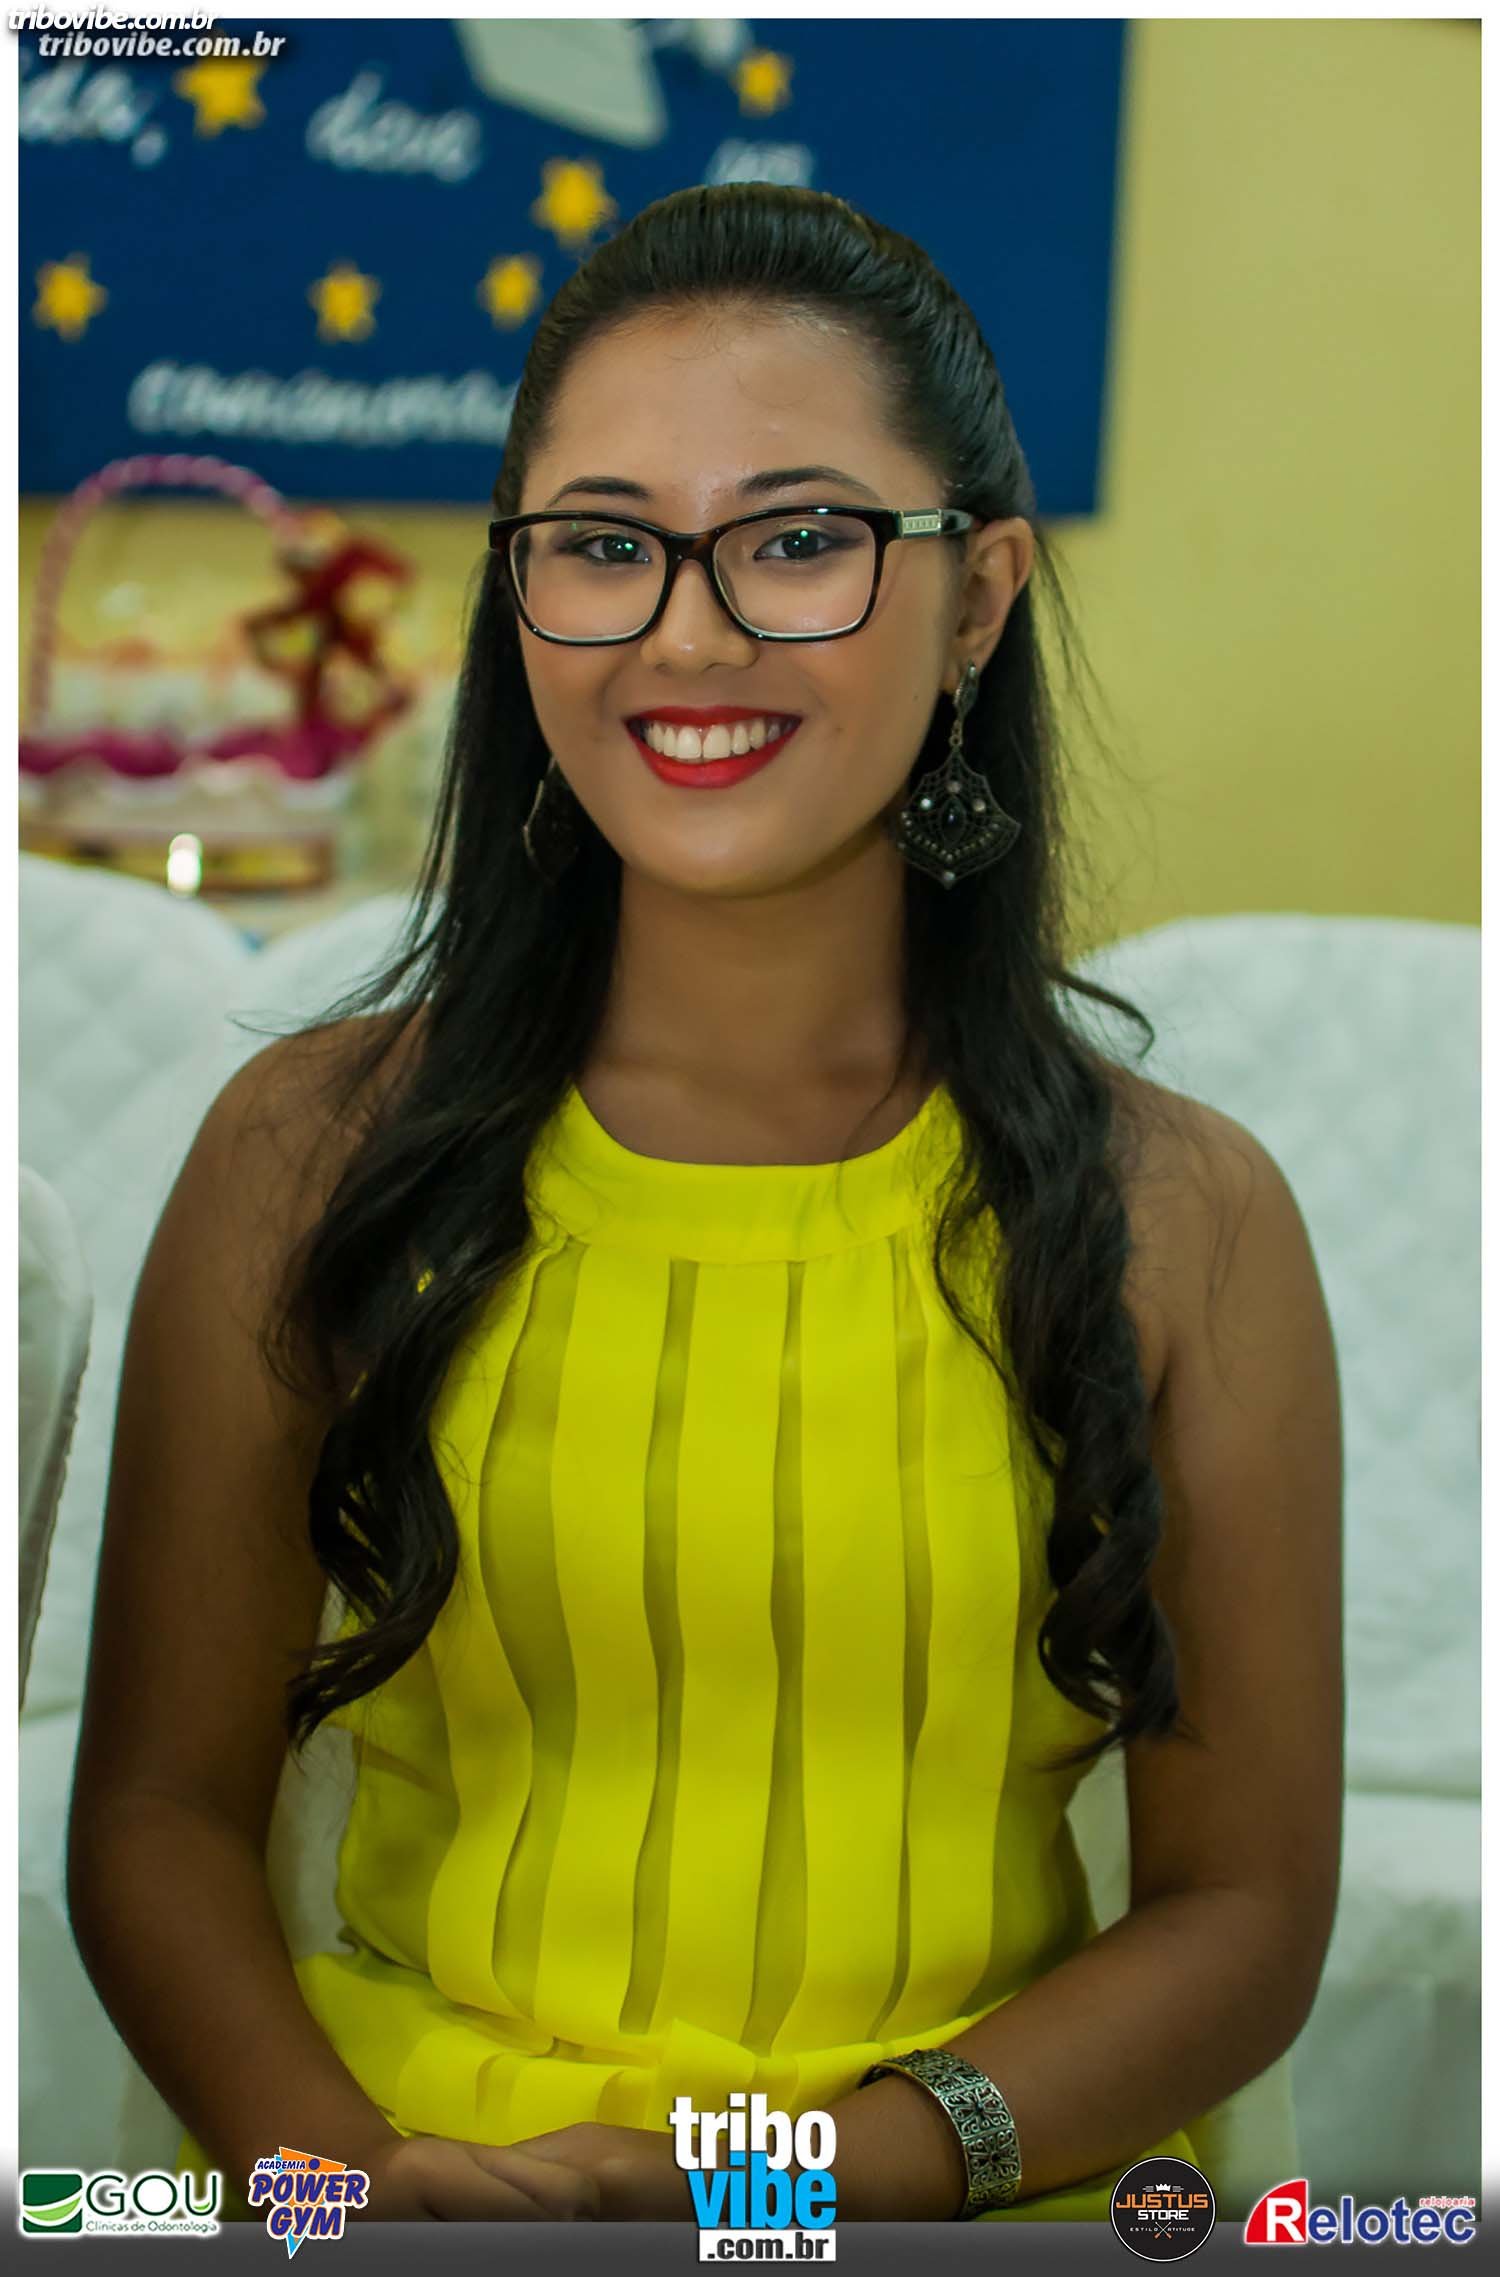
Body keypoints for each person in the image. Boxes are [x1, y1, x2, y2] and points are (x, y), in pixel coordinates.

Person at [66, 183, 1343, 2226]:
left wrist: (784, 2187)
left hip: (952, 2192)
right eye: (601, 543)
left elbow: (1247, 1909)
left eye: (798, 537)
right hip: (411, 2178)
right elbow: (152, 1818)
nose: (686, 631)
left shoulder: (1187, 1215)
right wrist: (355, 2190)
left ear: (981, 595)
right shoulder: (305, 1154)